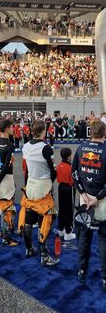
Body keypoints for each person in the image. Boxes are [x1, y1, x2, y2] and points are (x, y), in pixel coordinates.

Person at [72, 120, 106, 291]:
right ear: (104, 134)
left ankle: (82, 269)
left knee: (84, 236)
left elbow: (74, 173)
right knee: (103, 238)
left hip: (84, 199)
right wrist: (97, 197)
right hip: (101, 201)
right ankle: (105, 278)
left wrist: (83, 194)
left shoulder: (81, 148)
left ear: (90, 132)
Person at [20, 120, 59, 266]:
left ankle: (29, 248)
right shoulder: (46, 148)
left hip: (31, 183)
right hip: (43, 185)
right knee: (45, 220)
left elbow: (26, 167)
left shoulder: (25, 147)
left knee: (29, 218)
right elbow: (53, 170)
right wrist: (49, 183)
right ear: (44, 131)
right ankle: (44, 254)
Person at [57, 148, 76, 241]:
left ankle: (61, 229)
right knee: (68, 210)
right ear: (69, 156)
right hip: (68, 188)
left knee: (61, 208)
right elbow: (73, 181)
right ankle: (68, 232)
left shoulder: (59, 165)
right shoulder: (70, 167)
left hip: (60, 187)